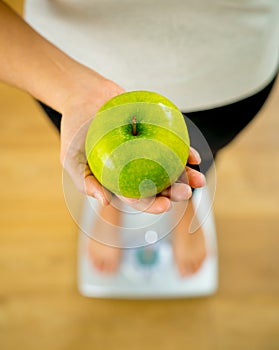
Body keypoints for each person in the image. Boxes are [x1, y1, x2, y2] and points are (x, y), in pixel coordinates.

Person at [1, 0, 278, 276]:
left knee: (198, 161)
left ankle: (184, 206)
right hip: (60, 68)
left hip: (230, 75)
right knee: (100, 169)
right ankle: (109, 203)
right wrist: (72, 92)